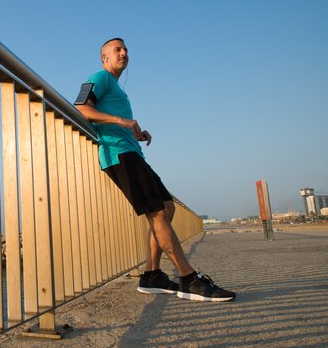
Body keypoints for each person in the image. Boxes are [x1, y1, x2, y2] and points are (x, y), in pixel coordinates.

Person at [75, 37, 236, 302]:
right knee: (158, 212)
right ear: (105, 57)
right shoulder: (99, 77)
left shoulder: (115, 86)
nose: (124, 52)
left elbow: (112, 117)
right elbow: (81, 107)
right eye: (117, 49)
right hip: (119, 155)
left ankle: (151, 275)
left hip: (131, 151)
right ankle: (189, 279)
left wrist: (135, 132)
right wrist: (121, 121)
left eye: (125, 49)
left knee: (166, 207)